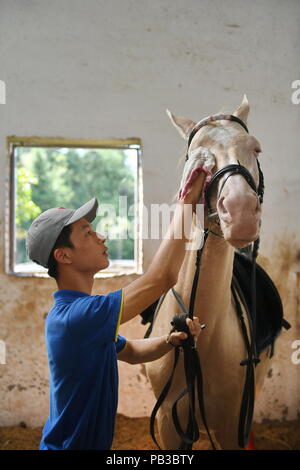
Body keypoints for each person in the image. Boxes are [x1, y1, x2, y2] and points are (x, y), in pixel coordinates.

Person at [26, 152, 214, 450]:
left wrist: (170, 341)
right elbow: (162, 278)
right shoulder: (78, 317)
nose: (101, 237)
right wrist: (187, 203)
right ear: (64, 256)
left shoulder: (83, 317)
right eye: (87, 233)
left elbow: (133, 351)